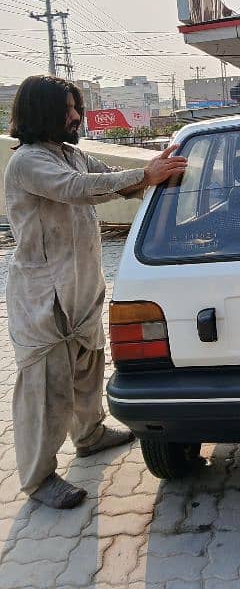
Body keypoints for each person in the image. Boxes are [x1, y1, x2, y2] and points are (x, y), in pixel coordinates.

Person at [4, 75, 187, 509]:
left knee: (88, 363)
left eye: (75, 107)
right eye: (66, 109)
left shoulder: (71, 155)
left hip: (81, 285)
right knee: (46, 387)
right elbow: (77, 190)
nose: (75, 116)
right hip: (42, 295)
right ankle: (38, 478)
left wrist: (150, 173)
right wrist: (144, 173)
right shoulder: (30, 162)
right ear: (41, 114)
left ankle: (89, 435)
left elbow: (113, 183)